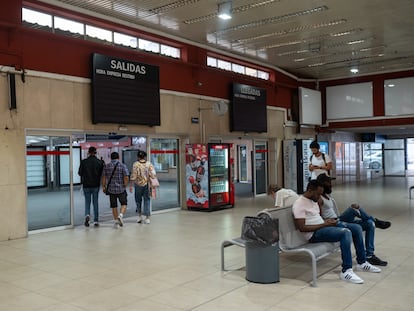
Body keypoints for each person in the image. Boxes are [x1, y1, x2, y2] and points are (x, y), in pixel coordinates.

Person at [292, 180, 381, 284]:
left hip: (323, 227)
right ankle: (346, 270)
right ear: (310, 190)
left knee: (357, 228)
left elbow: (316, 218)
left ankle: (362, 262)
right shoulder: (299, 204)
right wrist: (324, 224)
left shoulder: (314, 200)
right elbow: (302, 228)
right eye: (318, 194)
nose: (319, 197)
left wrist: (327, 222)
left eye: (321, 194)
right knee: (345, 232)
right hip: (313, 234)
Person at [317, 174, 390, 266]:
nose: (331, 184)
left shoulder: (328, 195)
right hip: (333, 223)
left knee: (369, 223)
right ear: (323, 183)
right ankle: (375, 222)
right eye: (329, 182)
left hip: (338, 219)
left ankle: (370, 255)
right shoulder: (319, 198)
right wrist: (327, 223)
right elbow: (318, 216)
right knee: (354, 211)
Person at [78, 146, 104, 227]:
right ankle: (96, 221)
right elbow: (102, 174)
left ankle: (87, 215)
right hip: (95, 185)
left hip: (86, 185)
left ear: (88, 152)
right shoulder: (100, 162)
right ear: (96, 152)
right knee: (95, 202)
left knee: (87, 202)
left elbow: (79, 173)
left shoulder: (84, 162)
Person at [102, 152, 129, 227]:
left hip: (111, 189)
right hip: (121, 189)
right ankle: (120, 215)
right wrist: (125, 185)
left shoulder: (107, 166)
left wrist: (104, 187)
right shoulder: (122, 165)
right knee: (124, 204)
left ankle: (116, 221)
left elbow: (103, 177)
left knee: (114, 206)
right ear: (118, 157)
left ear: (111, 158)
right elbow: (126, 176)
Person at [129, 150, 156, 224]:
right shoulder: (148, 164)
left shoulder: (135, 164)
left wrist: (131, 185)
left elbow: (133, 176)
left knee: (138, 200)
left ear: (138, 156)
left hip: (137, 185)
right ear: (144, 156)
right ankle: (147, 217)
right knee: (147, 200)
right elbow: (153, 174)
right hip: (146, 184)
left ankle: (139, 216)